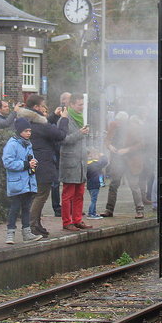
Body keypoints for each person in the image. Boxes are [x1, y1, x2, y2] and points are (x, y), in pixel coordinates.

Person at [21, 95, 65, 236]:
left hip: (36, 161)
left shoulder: (29, 121)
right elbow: (59, 134)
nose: (44, 108)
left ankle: (36, 224)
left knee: (38, 195)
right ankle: (32, 225)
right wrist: (63, 119)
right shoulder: (39, 125)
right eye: (42, 106)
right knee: (41, 195)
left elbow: (44, 125)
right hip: (43, 163)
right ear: (36, 107)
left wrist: (54, 116)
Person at [2, 120, 44, 245]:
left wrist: (33, 163)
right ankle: (10, 233)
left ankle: (27, 232)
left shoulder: (28, 144)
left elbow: (29, 159)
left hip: (28, 181)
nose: (28, 133)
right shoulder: (12, 144)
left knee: (26, 207)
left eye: (30, 131)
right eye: (26, 131)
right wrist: (26, 164)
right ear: (20, 131)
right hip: (17, 182)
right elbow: (8, 162)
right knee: (15, 208)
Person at [58, 93, 92, 231]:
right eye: (79, 105)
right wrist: (80, 133)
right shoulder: (64, 120)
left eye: (83, 104)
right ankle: (67, 222)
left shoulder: (83, 119)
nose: (82, 107)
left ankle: (78, 219)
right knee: (68, 194)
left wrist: (89, 150)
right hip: (70, 162)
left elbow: (83, 141)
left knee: (80, 193)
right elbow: (62, 139)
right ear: (71, 105)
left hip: (81, 161)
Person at [104, 110, 146, 218]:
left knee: (134, 185)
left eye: (120, 121)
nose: (118, 123)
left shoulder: (134, 128)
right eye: (117, 121)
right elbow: (107, 140)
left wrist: (127, 150)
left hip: (131, 159)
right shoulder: (113, 126)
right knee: (113, 184)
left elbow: (141, 144)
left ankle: (140, 210)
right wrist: (110, 146)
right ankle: (109, 209)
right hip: (117, 159)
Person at [85, 148, 108, 219]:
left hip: (89, 184)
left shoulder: (88, 164)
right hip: (95, 184)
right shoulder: (96, 164)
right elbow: (105, 161)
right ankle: (91, 214)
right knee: (93, 200)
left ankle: (93, 213)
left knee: (93, 199)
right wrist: (102, 155)